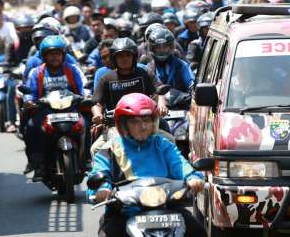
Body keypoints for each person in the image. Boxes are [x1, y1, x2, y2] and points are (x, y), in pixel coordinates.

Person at [87, 93, 206, 237]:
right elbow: (99, 172)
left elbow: (180, 164)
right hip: (124, 212)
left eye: (147, 120)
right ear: (123, 124)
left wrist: (192, 177)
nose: (142, 126)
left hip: (168, 209)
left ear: (154, 122)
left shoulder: (163, 145)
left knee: (198, 231)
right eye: (135, 122)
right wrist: (102, 189)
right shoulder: (111, 149)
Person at [22, 35, 86, 181]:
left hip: (71, 109)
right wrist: (29, 101)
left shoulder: (72, 70)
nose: (54, 57)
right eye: (50, 54)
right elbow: (30, 93)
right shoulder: (36, 72)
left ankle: (87, 160)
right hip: (45, 111)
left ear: (63, 54)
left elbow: (83, 87)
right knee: (31, 127)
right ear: (44, 56)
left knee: (86, 125)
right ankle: (39, 166)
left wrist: (85, 96)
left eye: (57, 53)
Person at [91, 38, 169, 126]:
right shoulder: (105, 79)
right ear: (114, 58)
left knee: (166, 132)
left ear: (134, 56)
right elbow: (97, 104)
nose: (124, 59)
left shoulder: (144, 73)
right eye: (120, 56)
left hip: (146, 122)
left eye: (128, 55)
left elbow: (158, 93)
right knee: (97, 137)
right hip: (115, 125)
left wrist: (161, 105)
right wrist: (97, 114)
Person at [146, 27, 195, 93]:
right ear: (152, 48)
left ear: (171, 47)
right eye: (158, 47)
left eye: (165, 46)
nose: (162, 50)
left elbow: (190, 83)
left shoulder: (181, 65)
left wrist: (192, 87)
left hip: (180, 102)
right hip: (155, 102)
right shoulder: (147, 68)